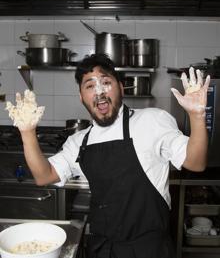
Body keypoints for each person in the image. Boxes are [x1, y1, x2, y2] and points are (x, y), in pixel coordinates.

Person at [6, 54, 210, 258]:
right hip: (102, 249)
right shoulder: (79, 141)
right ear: (81, 97)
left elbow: (196, 162)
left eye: (105, 82)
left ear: (121, 88)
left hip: (148, 250)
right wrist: (27, 133)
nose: (99, 92)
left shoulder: (152, 121)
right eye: (89, 86)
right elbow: (44, 176)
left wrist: (197, 116)